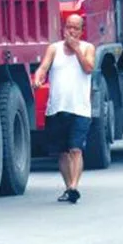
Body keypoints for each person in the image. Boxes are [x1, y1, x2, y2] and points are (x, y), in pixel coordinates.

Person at [33, 14, 96, 204]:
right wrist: (38, 78)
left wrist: (77, 49)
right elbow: (44, 67)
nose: (71, 31)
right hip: (57, 108)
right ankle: (69, 187)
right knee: (62, 151)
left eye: (76, 28)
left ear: (81, 30)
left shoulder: (87, 48)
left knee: (75, 149)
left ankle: (75, 186)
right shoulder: (54, 49)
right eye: (69, 27)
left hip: (80, 109)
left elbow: (88, 68)